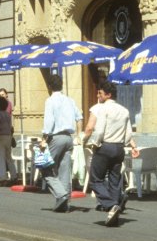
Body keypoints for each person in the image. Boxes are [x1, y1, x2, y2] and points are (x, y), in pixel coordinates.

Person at [83, 81, 140, 226]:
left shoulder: (103, 109)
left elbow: (99, 130)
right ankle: (114, 212)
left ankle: (110, 205)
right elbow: (128, 134)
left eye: (100, 93)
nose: (98, 96)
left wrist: (93, 143)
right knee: (115, 181)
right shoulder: (125, 110)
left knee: (95, 180)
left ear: (108, 94)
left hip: (105, 147)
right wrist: (131, 145)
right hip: (119, 148)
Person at [40, 73, 82, 213]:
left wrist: (44, 138)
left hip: (56, 137)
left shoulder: (50, 100)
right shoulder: (70, 100)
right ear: (62, 85)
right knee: (65, 171)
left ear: (50, 86)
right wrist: (78, 135)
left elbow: (49, 121)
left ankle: (61, 194)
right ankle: (65, 203)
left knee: (45, 167)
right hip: (68, 137)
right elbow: (79, 117)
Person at [0, 95, 18, 184]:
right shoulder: (8, 115)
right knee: (9, 157)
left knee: (0, 157)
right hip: (8, 137)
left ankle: (3, 178)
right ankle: (14, 176)